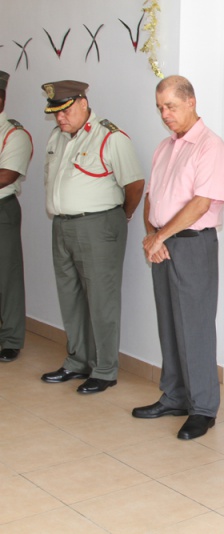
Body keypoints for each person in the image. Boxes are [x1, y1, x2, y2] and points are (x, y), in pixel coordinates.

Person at [132, 75, 224, 441]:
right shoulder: (165, 147)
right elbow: (152, 198)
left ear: (191, 102)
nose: (165, 114)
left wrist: (161, 235)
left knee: (195, 326)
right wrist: (152, 236)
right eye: (160, 108)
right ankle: (174, 396)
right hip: (163, 244)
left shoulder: (210, 146)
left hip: (192, 244)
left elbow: (201, 203)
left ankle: (203, 408)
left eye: (170, 106)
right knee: (169, 323)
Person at [40, 80, 144, 393]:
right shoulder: (57, 137)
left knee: (102, 300)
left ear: (84, 103)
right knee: (70, 297)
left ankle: (105, 369)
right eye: (55, 112)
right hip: (62, 225)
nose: (60, 117)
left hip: (98, 226)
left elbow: (135, 185)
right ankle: (77, 361)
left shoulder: (110, 137)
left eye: (65, 110)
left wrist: (121, 216)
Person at [0, 71, 33, 364]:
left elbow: (6, 175)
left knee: (6, 276)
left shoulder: (14, 134)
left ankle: (10, 339)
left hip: (2, 210)